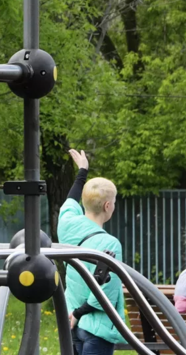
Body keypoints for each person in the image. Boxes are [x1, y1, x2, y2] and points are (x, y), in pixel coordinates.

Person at [58, 149, 125, 355]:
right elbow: (105, 295)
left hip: (72, 323)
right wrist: (80, 313)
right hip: (97, 328)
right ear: (107, 205)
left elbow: (70, 201)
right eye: (113, 202)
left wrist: (82, 172)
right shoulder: (110, 244)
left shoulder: (66, 226)